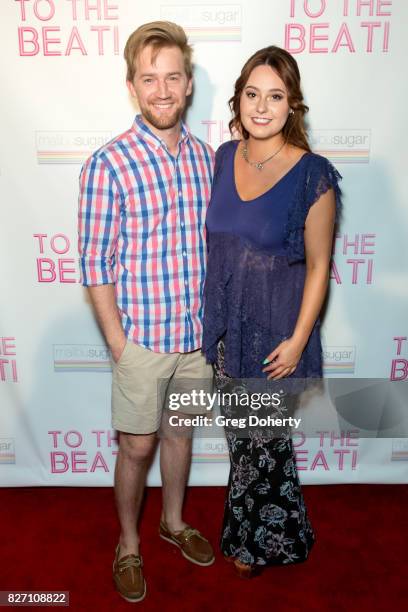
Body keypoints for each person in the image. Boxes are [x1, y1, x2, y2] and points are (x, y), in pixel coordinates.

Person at [77, 21, 215, 603]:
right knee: (137, 447)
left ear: (187, 85)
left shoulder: (210, 160)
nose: (162, 90)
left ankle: (173, 522)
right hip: (141, 341)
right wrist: (118, 343)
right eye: (148, 78)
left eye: (172, 77)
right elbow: (94, 261)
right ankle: (129, 544)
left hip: (197, 341)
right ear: (132, 86)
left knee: (179, 436)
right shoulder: (108, 163)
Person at [202, 46, 342, 577]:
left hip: (274, 336)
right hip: (222, 333)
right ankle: (288, 533)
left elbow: (318, 265)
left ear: (293, 104)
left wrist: (299, 338)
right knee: (248, 442)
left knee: (262, 442)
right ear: (239, 99)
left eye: (275, 96)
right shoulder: (221, 158)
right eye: (252, 94)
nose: (262, 107)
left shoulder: (313, 175)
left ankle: (252, 545)